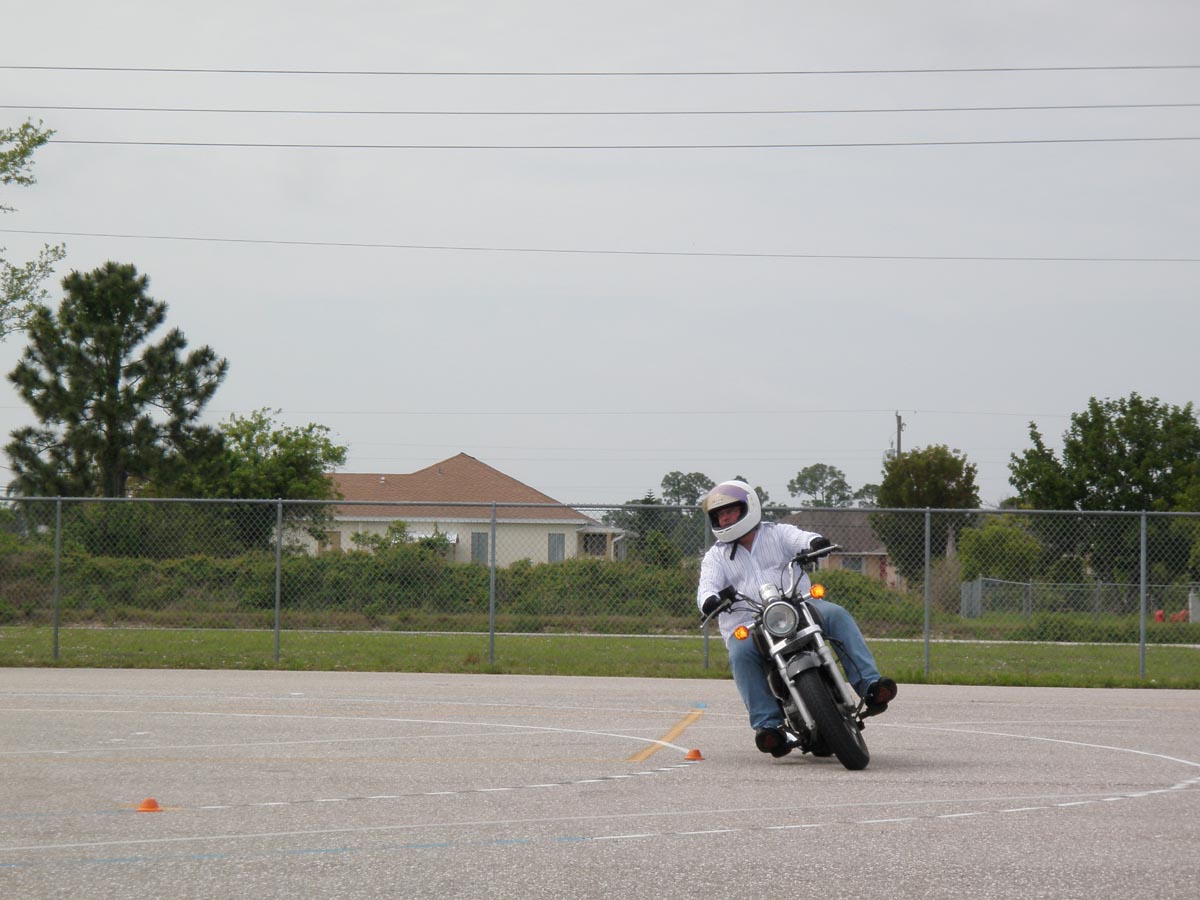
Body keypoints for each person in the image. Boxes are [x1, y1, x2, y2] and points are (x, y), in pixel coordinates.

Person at [696, 480, 897, 757]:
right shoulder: (716, 557)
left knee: (836, 614)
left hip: (799, 606)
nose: (725, 518)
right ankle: (769, 726)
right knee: (740, 654)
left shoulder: (776, 533)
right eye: (719, 515)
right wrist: (709, 599)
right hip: (751, 624)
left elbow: (800, 538)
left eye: (730, 511)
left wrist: (814, 543)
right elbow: (706, 585)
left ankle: (870, 685)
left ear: (748, 508)